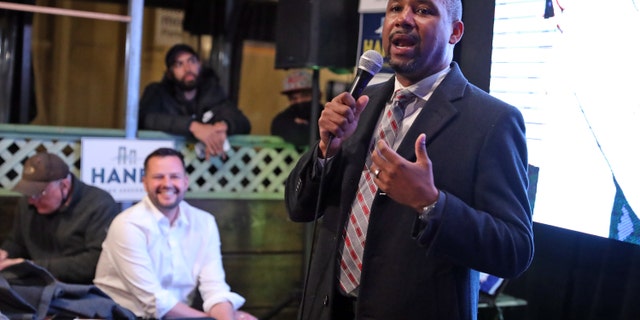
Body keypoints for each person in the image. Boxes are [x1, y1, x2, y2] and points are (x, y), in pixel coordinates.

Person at [284, 0, 535, 319]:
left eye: (423, 10)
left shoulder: (492, 120)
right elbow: (298, 207)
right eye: (395, 8)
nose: (403, 19)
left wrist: (430, 203)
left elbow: (515, 250)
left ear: (455, 32)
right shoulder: (359, 103)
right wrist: (325, 151)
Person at [93, 148, 257, 320]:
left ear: (185, 181)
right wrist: (209, 319)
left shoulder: (204, 222)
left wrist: (227, 318)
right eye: (158, 177)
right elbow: (153, 300)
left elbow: (214, 287)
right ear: (144, 182)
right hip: (119, 316)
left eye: (174, 176)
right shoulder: (127, 224)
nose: (167, 183)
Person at [0, 152, 119, 284]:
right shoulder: (27, 203)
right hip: (38, 282)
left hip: (81, 288)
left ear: (64, 186)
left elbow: (95, 262)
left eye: (39, 193)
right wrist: (5, 253)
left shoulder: (98, 204)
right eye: (29, 193)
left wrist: (34, 266)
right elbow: (17, 241)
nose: (32, 200)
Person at [138, 44, 251, 159]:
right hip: (168, 165)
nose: (187, 68)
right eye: (179, 64)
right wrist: (193, 126)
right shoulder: (157, 92)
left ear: (199, 64)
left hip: (207, 169)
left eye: (191, 61)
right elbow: (147, 119)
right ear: (169, 73)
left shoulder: (212, 91)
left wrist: (223, 126)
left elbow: (243, 121)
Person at [271, 69, 323, 146]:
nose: (299, 101)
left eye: (305, 96)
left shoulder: (327, 114)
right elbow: (296, 135)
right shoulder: (284, 117)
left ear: (318, 95)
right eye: (293, 98)